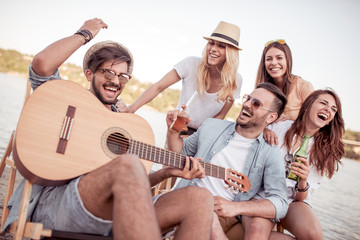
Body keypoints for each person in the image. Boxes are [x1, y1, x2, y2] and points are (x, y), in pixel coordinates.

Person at [1, 18, 215, 240]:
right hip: (57, 204)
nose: (116, 81)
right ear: (89, 74)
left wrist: (167, 172)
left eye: (123, 76)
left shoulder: (124, 123)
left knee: (200, 198)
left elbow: (131, 185)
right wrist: (85, 34)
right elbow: (42, 64)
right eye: (108, 73)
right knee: (128, 164)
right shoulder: (66, 98)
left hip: (113, 214)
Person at [162, 82, 289, 240]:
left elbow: (281, 202)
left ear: (271, 117)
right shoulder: (211, 126)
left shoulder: (270, 152)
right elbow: (180, 154)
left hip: (222, 215)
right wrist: (173, 131)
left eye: (256, 103)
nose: (247, 104)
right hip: (184, 198)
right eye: (248, 98)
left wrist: (234, 207)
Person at [254, 89, 345, 240]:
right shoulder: (280, 126)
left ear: (331, 119)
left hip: (292, 200)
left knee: (313, 235)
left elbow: (301, 197)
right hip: (265, 194)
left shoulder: (325, 151)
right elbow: (250, 135)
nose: (328, 110)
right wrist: (263, 130)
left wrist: (303, 182)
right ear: (308, 105)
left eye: (333, 109)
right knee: (257, 232)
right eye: (323, 103)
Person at [124, 21, 242, 135]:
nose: (213, 49)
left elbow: (220, 116)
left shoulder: (236, 81)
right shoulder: (190, 63)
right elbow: (158, 87)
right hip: (178, 129)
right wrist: (131, 108)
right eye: (211, 43)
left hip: (204, 135)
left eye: (221, 46)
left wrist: (198, 137)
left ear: (230, 53)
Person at [255, 39, 314, 123]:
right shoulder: (262, 89)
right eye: (269, 59)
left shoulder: (303, 86)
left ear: (288, 60)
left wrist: (289, 119)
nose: (274, 62)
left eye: (279, 58)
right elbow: (255, 120)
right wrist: (266, 130)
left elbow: (313, 119)